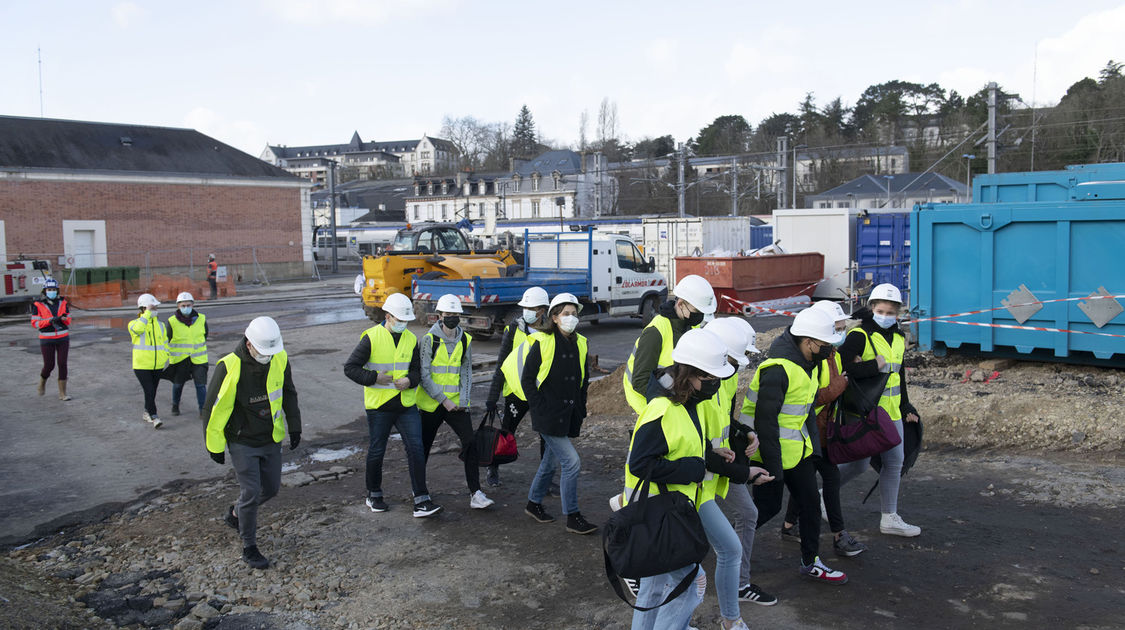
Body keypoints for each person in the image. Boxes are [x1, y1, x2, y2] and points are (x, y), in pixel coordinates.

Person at [625, 328, 737, 630]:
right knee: (692, 582)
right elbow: (640, 463)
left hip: (668, 509)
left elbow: (681, 450)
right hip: (658, 513)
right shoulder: (662, 409)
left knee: (652, 588)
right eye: (711, 379)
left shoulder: (689, 405)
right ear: (690, 375)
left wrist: (709, 459)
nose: (715, 386)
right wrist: (693, 469)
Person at [744, 307, 848, 584]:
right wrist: (774, 469)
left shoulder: (809, 365)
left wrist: (813, 451)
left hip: (797, 454)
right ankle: (730, 551)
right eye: (825, 345)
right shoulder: (777, 370)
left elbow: (805, 412)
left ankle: (810, 561)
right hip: (770, 455)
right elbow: (765, 424)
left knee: (811, 504)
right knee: (766, 509)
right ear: (809, 342)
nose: (829, 350)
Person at [203, 316, 301, 570]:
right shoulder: (229, 365)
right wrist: (214, 445)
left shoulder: (279, 357)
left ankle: (236, 514)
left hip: (270, 437)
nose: (267, 355)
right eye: (262, 351)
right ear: (249, 344)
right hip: (242, 440)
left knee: (271, 489)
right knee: (251, 492)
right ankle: (249, 546)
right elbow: (211, 408)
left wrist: (296, 426)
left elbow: (288, 393)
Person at [780, 300, 868, 557]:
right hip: (811, 431)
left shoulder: (831, 355)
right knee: (828, 480)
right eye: (838, 328)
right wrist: (843, 382)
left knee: (808, 483)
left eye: (842, 328)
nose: (841, 334)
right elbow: (816, 396)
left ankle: (788, 525)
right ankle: (839, 536)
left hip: (821, 431)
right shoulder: (816, 358)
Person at [343, 292, 441, 518]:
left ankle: (421, 499)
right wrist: (374, 377)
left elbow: (416, 371)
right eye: (399, 320)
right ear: (387, 316)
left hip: (406, 404)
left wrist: (410, 380)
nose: (403, 324)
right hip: (379, 405)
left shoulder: (409, 338)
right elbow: (350, 368)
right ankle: (374, 494)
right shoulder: (371, 337)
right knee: (377, 451)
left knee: (416, 449)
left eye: (406, 320)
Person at [836, 283, 922, 537]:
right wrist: (873, 365)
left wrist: (906, 405)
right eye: (881, 310)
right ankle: (820, 495)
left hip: (892, 412)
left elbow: (899, 374)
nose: (885, 316)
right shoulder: (858, 336)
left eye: (891, 312)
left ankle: (889, 517)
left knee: (894, 462)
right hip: (865, 412)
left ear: (897, 313)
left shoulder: (898, 337)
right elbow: (841, 370)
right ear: (872, 308)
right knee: (859, 464)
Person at [704, 318, 779, 608]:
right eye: (734, 359)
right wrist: (745, 473)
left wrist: (743, 431)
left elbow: (722, 422)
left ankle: (739, 585)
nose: (737, 365)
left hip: (717, 465)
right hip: (700, 472)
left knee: (747, 514)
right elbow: (699, 446)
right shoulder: (702, 387)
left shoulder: (722, 377)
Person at [518, 293, 595, 534]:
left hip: (569, 413)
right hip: (548, 415)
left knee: (550, 462)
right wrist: (539, 407)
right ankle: (573, 516)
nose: (571, 318)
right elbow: (527, 380)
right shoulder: (543, 341)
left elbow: (583, 380)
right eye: (566, 314)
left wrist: (581, 407)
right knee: (572, 462)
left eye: (574, 314)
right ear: (554, 317)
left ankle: (533, 503)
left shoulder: (581, 342)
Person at [418, 294, 494, 510]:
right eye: (448, 314)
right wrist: (443, 401)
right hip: (432, 404)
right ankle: (419, 491)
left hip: (456, 404)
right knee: (423, 447)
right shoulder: (428, 340)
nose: (452, 317)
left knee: (470, 443)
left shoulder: (464, 339)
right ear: (439, 315)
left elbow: (466, 371)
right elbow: (424, 376)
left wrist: (463, 400)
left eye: (455, 314)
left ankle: (475, 493)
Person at [623, 274, 717, 414]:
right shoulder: (655, 332)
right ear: (680, 304)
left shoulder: (690, 327)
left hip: (674, 404)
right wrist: (677, 399)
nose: (700, 316)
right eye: (697, 311)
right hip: (654, 406)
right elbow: (640, 382)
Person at [485, 286, 550, 487]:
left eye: (531, 308)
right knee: (506, 432)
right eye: (525, 307)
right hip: (516, 392)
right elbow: (502, 364)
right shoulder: (513, 330)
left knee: (546, 436)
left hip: (541, 393)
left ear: (542, 310)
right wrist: (492, 397)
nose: (527, 312)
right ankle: (493, 467)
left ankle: (545, 479)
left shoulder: (551, 332)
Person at [129, 293, 169, 429]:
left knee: (152, 391)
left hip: (157, 365)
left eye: (155, 308)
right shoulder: (134, 324)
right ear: (143, 309)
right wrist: (146, 314)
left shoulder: (161, 325)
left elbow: (165, 343)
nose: (155, 310)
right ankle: (154, 416)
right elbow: (138, 330)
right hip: (141, 365)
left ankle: (147, 411)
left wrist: (165, 356)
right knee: (149, 389)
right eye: (152, 308)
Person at [167, 292, 209, 418]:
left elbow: (205, 334)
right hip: (180, 359)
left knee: (201, 386)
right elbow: (168, 338)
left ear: (193, 305)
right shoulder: (172, 321)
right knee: (178, 384)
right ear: (178, 306)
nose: (186, 307)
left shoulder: (201, 318)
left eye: (188, 305)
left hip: (199, 358)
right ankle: (175, 405)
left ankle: (203, 410)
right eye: (183, 305)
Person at [31, 278, 73, 401]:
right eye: (49, 289)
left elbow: (69, 319)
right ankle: (42, 382)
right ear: (45, 291)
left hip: (63, 337)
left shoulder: (62, 302)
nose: (52, 292)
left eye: (54, 290)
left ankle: (62, 393)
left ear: (57, 290)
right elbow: (35, 323)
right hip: (46, 339)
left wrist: (63, 318)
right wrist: (49, 321)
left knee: (62, 364)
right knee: (49, 365)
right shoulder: (37, 304)